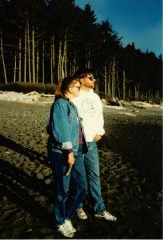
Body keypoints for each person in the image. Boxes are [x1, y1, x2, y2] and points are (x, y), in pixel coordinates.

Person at [72, 69, 117, 221]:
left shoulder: (96, 97)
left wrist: (100, 132)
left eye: (94, 77)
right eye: (91, 77)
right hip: (77, 142)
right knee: (79, 177)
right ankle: (78, 206)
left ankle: (100, 209)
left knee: (95, 176)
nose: (94, 80)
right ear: (81, 79)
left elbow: (99, 116)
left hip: (92, 142)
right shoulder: (74, 95)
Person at [47, 76, 88, 238]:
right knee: (61, 190)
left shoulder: (71, 105)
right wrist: (69, 152)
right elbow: (61, 131)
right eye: (78, 87)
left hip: (76, 151)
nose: (79, 89)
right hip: (62, 153)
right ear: (70, 88)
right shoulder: (60, 104)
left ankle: (67, 216)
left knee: (82, 186)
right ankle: (60, 221)